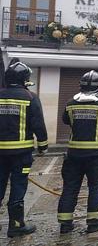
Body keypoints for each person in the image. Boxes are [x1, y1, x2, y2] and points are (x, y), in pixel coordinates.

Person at [57, 70, 98, 234]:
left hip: (74, 155)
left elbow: (65, 120)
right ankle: (94, 222)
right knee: (96, 187)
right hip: (95, 156)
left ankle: (65, 223)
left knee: (70, 187)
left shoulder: (70, 103)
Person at [0, 61, 48, 238]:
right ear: (24, 79)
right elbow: (38, 125)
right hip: (21, 154)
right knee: (18, 187)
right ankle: (16, 225)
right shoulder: (30, 97)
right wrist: (43, 146)